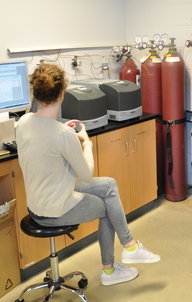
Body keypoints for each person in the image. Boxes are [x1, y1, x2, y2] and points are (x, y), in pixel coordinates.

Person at [16, 63, 160, 287]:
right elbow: (86, 174)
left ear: (36, 93)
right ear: (62, 93)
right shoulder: (64, 135)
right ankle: (111, 268)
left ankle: (130, 246)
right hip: (54, 209)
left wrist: (67, 132)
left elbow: (45, 137)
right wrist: (86, 142)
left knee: (109, 185)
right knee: (108, 208)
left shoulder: (23, 122)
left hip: (37, 202)